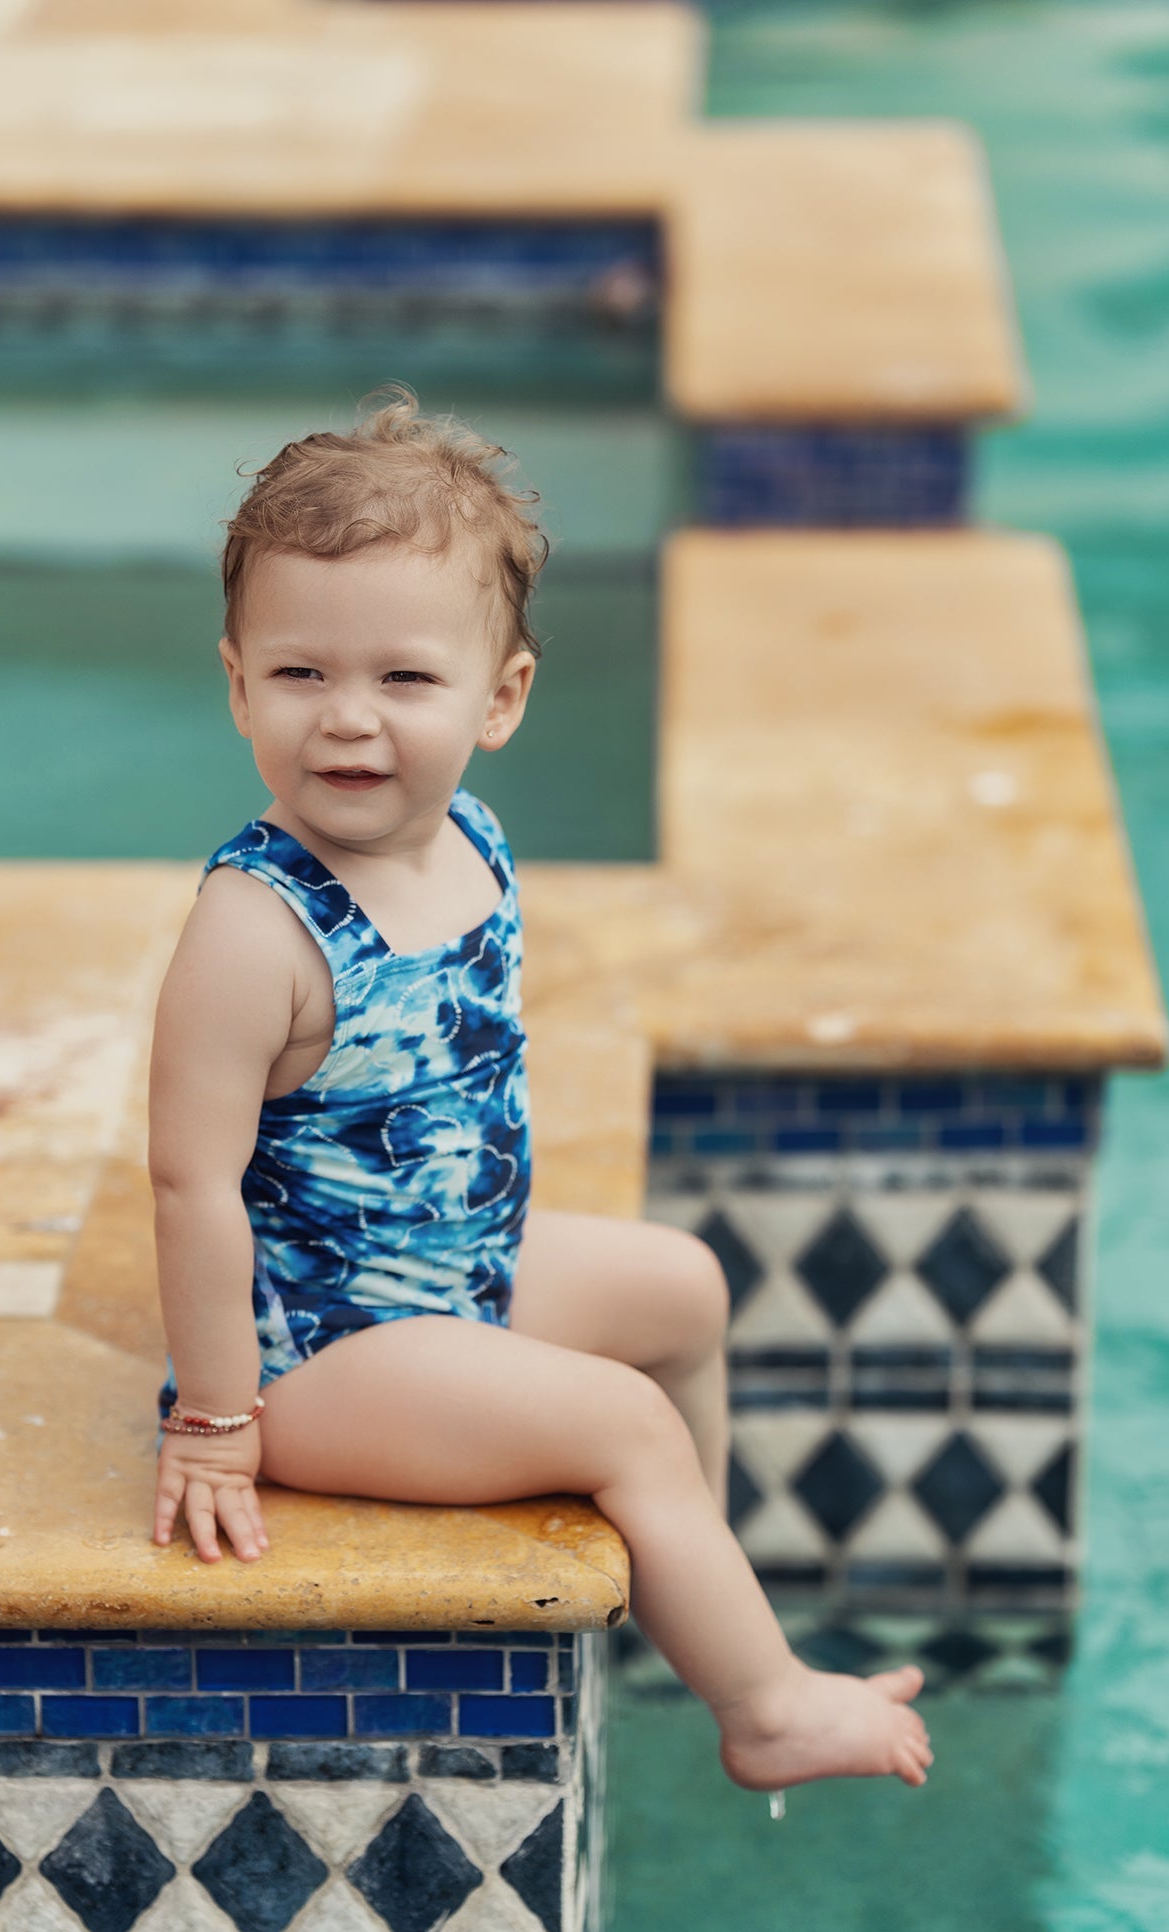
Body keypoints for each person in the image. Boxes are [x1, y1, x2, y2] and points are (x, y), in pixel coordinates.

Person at [147, 390, 932, 1796]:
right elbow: (189, 1181)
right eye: (299, 673)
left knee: (683, 1287)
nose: (347, 719)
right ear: (236, 684)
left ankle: (695, 1590)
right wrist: (216, 1423)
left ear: (499, 699)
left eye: (405, 678)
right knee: (622, 1421)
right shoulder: (254, 930)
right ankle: (763, 1709)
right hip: (322, 1350)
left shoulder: (473, 839)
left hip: (452, 1274)